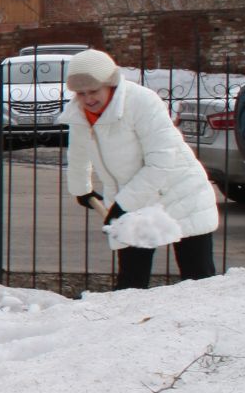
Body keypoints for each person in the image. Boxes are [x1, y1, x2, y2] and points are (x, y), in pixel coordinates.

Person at [61, 48, 218, 290]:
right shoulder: (81, 113)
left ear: (110, 84)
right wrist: (82, 190)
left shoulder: (142, 102)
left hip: (180, 193)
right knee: (131, 283)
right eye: (80, 93)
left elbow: (161, 162)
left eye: (94, 91)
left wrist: (123, 204)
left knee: (197, 279)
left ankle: (204, 325)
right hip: (134, 199)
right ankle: (131, 327)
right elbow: (79, 152)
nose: (88, 99)